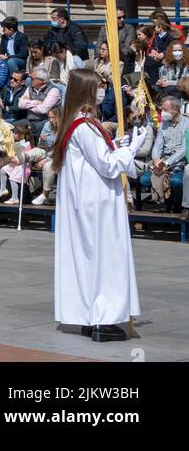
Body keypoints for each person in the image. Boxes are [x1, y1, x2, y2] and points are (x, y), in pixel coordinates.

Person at [53, 67, 143, 342]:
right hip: (98, 204)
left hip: (86, 202)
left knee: (88, 258)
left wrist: (115, 143)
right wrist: (131, 150)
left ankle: (89, 315)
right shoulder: (83, 126)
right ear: (88, 92)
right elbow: (106, 165)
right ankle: (103, 319)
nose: (102, 90)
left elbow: (96, 156)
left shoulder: (77, 124)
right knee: (106, 259)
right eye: (99, 86)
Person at [140, 95, 187, 211]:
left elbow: (184, 149)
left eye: (165, 110)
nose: (162, 112)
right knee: (149, 176)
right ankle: (163, 202)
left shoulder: (187, 124)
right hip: (163, 158)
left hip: (179, 160)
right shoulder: (163, 125)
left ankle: (177, 204)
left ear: (175, 110)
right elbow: (158, 145)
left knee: (174, 179)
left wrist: (166, 163)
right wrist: (156, 158)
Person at [19, 67, 62, 136]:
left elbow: (43, 110)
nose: (30, 80)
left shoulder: (53, 90)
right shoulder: (30, 88)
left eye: (32, 79)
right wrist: (36, 102)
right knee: (13, 126)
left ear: (41, 80)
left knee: (37, 129)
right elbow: (20, 104)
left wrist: (27, 105)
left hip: (45, 121)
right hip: (29, 120)